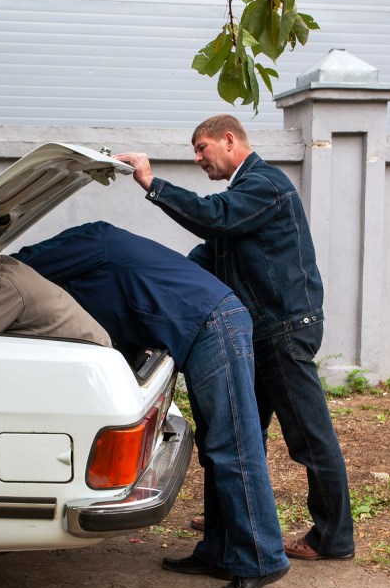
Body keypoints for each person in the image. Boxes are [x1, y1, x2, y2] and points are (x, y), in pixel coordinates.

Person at [115, 114, 355, 561]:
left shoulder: (265, 185)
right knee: (239, 437)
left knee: (309, 436)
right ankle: (229, 525)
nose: (197, 157)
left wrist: (152, 183)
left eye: (202, 147)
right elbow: (209, 253)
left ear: (229, 140)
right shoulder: (245, 196)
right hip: (260, 331)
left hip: (283, 330)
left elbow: (215, 219)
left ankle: (334, 537)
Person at [14, 221, 290, 588]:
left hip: (214, 324)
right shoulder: (93, 262)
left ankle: (262, 557)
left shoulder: (88, 243)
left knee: (233, 446)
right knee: (217, 449)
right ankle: (221, 553)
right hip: (206, 327)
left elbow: (22, 270)